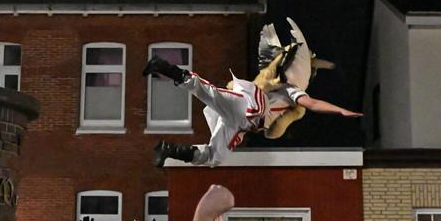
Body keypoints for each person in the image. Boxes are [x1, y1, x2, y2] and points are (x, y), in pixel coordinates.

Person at [143, 20, 361, 166]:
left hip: (242, 123)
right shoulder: (291, 89)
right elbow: (312, 103)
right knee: (207, 92)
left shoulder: (292, 100)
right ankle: (162, 66)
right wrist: (340, 110)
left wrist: (295, 114)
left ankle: (169, 149)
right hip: (250, 105)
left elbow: (273, 133)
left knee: (215, 157)